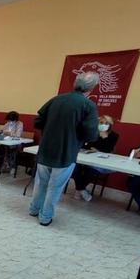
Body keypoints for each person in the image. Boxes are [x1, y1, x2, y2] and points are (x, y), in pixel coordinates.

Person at [29, 72, 99, 225]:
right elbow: (91, 134)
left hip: (45, 149)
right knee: (55, 187)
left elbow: (38, 122)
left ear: (75, 84)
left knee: (40, 183)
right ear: (91, 89)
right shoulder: (88, 105)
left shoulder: (56, 99)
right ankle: (45, 217)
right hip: (66, 153)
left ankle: (34, 209)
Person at [72, 115, 119, 202]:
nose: (104, 125)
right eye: (101, 123)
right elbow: (85, 145)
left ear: (110, 125)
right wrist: (94, 147)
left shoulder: (114, 135)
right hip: (85, 158)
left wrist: (104, 138)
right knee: (74, 167)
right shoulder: (92, 132)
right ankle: (81, 189)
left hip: (99, 162)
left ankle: (79, 190)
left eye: (106, 123)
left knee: (90, 170)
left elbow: (108, 150)